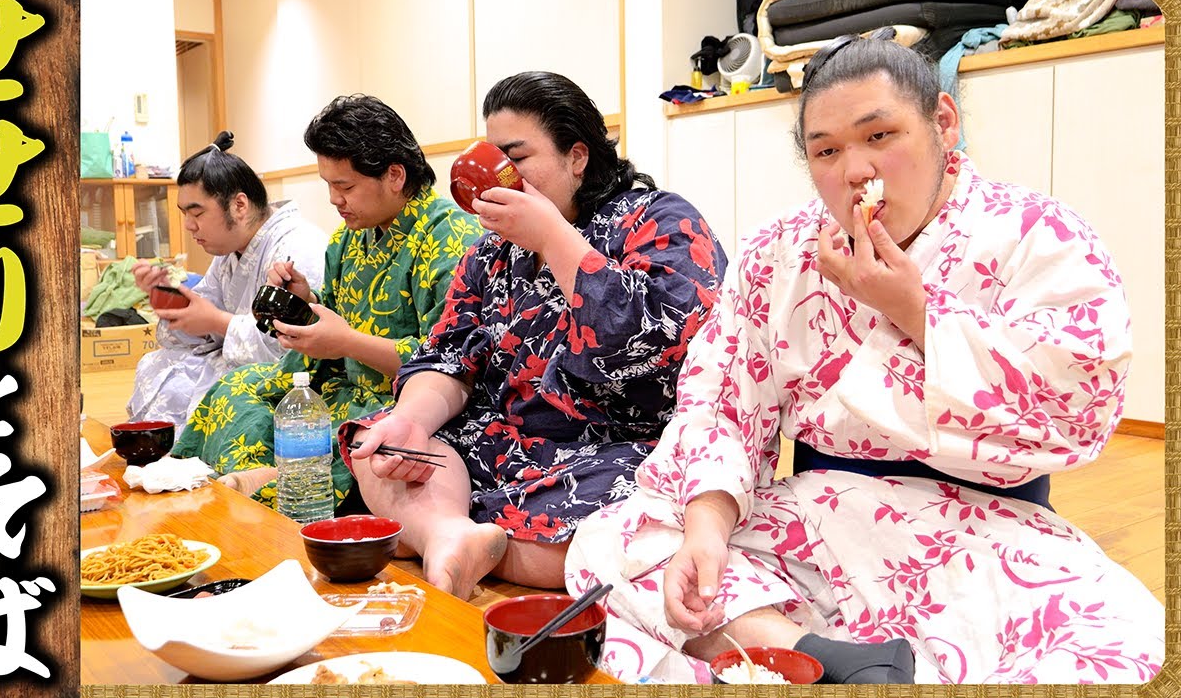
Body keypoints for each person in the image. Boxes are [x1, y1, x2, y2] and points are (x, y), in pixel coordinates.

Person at [565, 35, 1164, 684]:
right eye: (826, 151)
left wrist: (917, 310)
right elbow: (721, 404)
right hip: (820, 517)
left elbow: (1080, 403)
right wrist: (706, 529)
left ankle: (781, 654)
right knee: (614, 543)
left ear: (943, 123)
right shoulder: (780, 251)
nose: (855, 170)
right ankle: (822, 657)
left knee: (1129, 655)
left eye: (879, 136)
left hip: (987, 528)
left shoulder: (1036, 235)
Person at [345, 71, 728, 601]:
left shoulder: (658, 219)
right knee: (379, 446)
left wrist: (552, 237)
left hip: (614, 447)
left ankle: (440, 532)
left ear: (577, 157)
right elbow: (448, 354)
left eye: (516, 158)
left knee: (620, 521)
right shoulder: (491, 251)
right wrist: (411, 420)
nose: (499, 174)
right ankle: (450, 534)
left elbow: (662, 342)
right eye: (492, 156)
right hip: (503, 441)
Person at [172, 96, 483, 512]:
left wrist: (346, 343)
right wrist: (305, 301)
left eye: (345, 187)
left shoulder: (450, 239)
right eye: (329, 186)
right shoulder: (350, 236)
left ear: (394, 175)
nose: (335, 199)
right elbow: (334, 313)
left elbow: (450, 362)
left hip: (405, 402)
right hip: (342, 386)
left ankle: (271, 483)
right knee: (236, 389)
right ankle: (258, 480)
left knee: (365, 441)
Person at [127, 132, 327, 433]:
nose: (189, 225)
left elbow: (290, 348)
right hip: (239, 360)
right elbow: (204, 312)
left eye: (197, 213)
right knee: (156, 364)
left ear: (239, 205)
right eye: (184, 214)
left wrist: (216, 321)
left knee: (191, 389)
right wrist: (168, 298)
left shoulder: (297, 245)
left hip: (292, 381)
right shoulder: (230, 252)